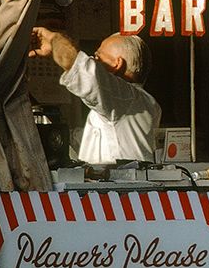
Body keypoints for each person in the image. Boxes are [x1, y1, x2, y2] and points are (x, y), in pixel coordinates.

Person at [28, 26, 161, 164]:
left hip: (120, 182)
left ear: (117, 64)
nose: (92, 59)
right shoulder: (132, 104)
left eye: (97, 57)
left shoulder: (126, 97)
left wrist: (54, 40)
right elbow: (75, 139)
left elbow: (83, 70)